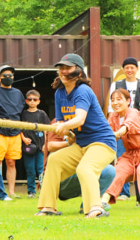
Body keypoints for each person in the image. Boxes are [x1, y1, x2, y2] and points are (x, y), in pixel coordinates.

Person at [37, 54, 116, 218]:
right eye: (61, 68)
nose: (63, 71)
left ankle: (96, 208)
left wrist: (64, 126)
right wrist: (63, 131)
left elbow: (80, 118)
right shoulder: (59, 93)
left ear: (79, 72)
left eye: (68, 68)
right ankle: (48, 207)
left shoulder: (83, 90)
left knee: (85, 168)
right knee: (54, 160)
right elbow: (62, 123)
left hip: (102, 143)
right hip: (81, 144)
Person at [101, 89, 140, 211]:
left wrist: (117, 133)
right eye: (112, 100)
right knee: (117, 171)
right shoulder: (113, 116)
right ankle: (102, 201)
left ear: (128, 101)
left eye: (119, 99)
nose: (115, 103)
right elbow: (105, 132)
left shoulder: (133, 113)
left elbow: (127, 126)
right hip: (130, 154)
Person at [43, 119, 116, 212]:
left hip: (80, 170)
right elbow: (49, 146)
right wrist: (71, 142)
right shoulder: (58, 122)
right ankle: (48, 207)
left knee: (108, 171)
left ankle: (89, 205)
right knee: (84, 168)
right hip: (59, 179)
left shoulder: (90, 123)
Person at [108, 57, 140, 201]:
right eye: (126, 67)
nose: (129, 70)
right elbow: (111, 109)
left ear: (137, 69)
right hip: (121, 129)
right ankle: (123, 193)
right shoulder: (116, 85)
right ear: (123, 70)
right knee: (123, 158)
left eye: (132, 67)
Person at [0, 65, 26, 198]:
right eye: (4, 75)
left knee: (11, 162)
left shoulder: (18, 93)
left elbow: (20, 112)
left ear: (13, 77)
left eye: (10, 75)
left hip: (15, 132)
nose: (8, 78)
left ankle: (12, 192)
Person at [20, 90, 50, 198]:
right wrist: (23, 139)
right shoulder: (23, 114)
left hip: (40, 146)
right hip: (28, 146)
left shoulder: (42, 114)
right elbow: (19, 129)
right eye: (30, 99)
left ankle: (43, 191)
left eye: (35, 99)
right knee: (30, 170)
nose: (32, 101)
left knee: (41, 169)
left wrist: (45, 145)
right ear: (26, 101)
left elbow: (47, 130)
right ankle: (31, 191)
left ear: (39, 101)